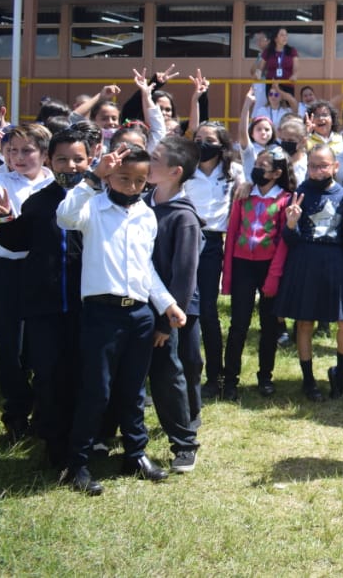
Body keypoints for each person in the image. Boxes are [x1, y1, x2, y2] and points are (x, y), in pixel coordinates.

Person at [55, 144, 187, 496]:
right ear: (110, 176)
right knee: (96, 390)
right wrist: (91, 177)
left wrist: (167, 304)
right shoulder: (93, 207)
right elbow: (65, 217)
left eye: (140, 180)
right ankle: (77, 463)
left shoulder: (145, 215)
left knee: (133, 390)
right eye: (124, 178)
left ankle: (135, 454)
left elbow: (146, 269)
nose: (131, 186)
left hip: (140, 314)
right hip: (102, 313)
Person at [0, 122, 99, 466]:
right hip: (45, 306)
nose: (70, 166)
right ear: (50, 161)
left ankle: (87, 440)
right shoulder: (39, 201)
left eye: (78, 159)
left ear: (91, 158)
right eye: (62, 159)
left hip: (88, 306)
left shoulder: (100, 199)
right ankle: (53, 443)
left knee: (85, 373)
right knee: (49, 374)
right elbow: (17, 240)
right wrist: (6, 218)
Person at [0, 124, 53, 438]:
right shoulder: (2, 179)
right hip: (10, 271)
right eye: (12, 151)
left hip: (44, 271)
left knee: (43, 345)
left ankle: (44, 411)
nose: (19, 157)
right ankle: (16, 414)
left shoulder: (52, 182)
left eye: (27, 151)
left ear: (44, 154)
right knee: (11, 345)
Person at [276, 146, 343, 401]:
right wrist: (291, 224)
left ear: (335, 166)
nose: (318, 171)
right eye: (313, 166)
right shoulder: (299, 193)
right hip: (305, 261)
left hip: (337, 261)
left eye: (323, 165)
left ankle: (341, 376)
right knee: (304, 322)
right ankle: (308, 380)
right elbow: (289, 239)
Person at [143, 136, 204, 473]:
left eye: (154, 159)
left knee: (168, 375)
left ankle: (184, 443)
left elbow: (184, 277)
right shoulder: (141, 202)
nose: (147, 163)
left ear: (174, 172)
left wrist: (167, 324)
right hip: (133, 306)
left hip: (165, 313)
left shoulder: (183, 218)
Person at [222, 146, 294, 397]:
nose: (257, 168)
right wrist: (227, 273)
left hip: (268, 267)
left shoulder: (285, 199)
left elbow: (284, 243)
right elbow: (232, 234)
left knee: (268, 326)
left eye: (263, 165)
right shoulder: (244, 195)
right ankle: (229, 379)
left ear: (276, 173)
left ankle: (265, 377)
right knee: (238, 324)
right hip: (243, 265)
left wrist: (274, 277)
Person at [187, 122, 242, 401]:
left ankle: (215, 376)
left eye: (208, 139)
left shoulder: (233, 172)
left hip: (213, 243)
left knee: (208, 310)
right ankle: (186, 371)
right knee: (184, 308)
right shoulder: (185, 168)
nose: (202, 143)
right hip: (185, 239)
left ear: (221, 144)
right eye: (197, 138)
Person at [256, 28, 298, 94]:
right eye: (282, 35)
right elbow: (260, 67)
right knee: (272, 104)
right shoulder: (268, 51)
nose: (285, 37)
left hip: (287, 84)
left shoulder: (292, 50)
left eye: (286, 35)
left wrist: (295, 75)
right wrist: (258, 73)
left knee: (287, 104)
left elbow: (296, 67)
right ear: (275, 38)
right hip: (271, 85)